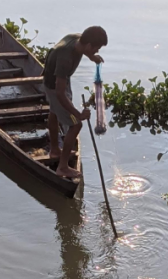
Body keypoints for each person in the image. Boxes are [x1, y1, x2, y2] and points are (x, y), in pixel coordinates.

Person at [42, 26, 107, 179]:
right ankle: (62, 167)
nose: (97, 51)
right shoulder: (66, 57)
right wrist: (77, 114)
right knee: (76, 124)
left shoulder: (78, 38)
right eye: (96, 49)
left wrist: (92, 57)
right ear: (89, 45)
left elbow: (85, 49)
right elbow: (60, 93)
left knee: (54, 112)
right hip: (55, 87)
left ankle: (55, 150)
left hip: (54, 80)